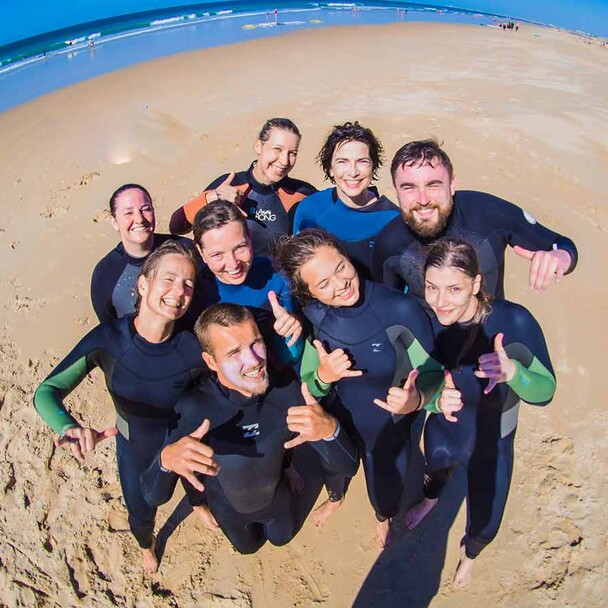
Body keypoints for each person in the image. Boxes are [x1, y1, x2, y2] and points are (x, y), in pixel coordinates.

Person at [34, 241, 215, 574]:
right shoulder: (109, 339)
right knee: (140, 511)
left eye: (188, 284)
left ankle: (198, 503)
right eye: (169, 279)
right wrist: (68, 427)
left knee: (196, 481)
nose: (179, 291)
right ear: (143, 284)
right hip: (133, 444)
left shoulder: (193, 346)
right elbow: (46, 392)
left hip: (184, 439)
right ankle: (147, 547)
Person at [141, 303, 359, 554]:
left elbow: (348, 465)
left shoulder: (286, 392)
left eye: (256, 343)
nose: (254, 361)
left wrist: (331, 431)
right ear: (211, 362)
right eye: (234, 353)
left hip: (279, 501)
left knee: (281, 539)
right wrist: (164, 461)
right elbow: (152, 495)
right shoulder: (194, 409)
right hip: (228, 509)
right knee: (248, 548)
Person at [273, 229, 444, 546]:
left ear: (346, 256)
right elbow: (312, 387)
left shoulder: (400, 310)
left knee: (384, 490)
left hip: (388, 424)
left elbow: (435, 376)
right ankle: (336, 498)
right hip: (339, 421)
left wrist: (416, 399)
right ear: (309, 293)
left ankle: (382, 517)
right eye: (323, 284)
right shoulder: (314, 316)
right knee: (334, 471)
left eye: (340, 267)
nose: (340, 285)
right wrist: (324, 375)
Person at [405, 239, 556, 587]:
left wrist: (514, 373)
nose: (441, 301)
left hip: (493, 441)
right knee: (435, 468)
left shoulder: (513, 321)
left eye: (455, 288)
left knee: (485, 523)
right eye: (432, 287)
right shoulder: (427, 321)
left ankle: (468, 555)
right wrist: (434, 400)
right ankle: (430, 501)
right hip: (446, 429)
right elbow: (422, 380)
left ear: (476, 284)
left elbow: (546, 392)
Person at [372, 139, 578, 305]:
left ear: (452, 184)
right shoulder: (388, 242)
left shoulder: (489, 212)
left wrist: (560, 256)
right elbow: (387, 308)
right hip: (428, 347)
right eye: (409, 187)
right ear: (395, 190)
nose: (423, 199)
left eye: (433, 185)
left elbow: (562, 244)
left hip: (489, 337)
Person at [169, 118, 317, 256]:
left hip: (274, 282)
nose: (285, 161)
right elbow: (177, 226)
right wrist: (212, 198)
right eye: (277, 149)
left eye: (292, 153)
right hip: (227, 277)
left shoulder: (301, 194)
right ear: (259, 146)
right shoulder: (229, 185)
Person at [191, 200, 303, 366]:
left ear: (250, 237)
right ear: (201, 252)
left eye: (240, 248)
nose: (233, 264)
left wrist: (294, 326)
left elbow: (293, 355)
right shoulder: (194, 292)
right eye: (217, 255)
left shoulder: (278, 274)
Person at [293, 121, 400, 280]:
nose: (353, 172)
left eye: (362, 161)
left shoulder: (393, 219)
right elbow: (296, 271)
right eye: (342, 162)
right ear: (330, 168)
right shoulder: (310, 209)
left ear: (373, 166)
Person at [91, 183, 197, 326]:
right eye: (128, 213)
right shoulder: (105, 273)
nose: (139, 219)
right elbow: (109, 330)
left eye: (145, 209)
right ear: (114, 221)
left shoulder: (185, 250)